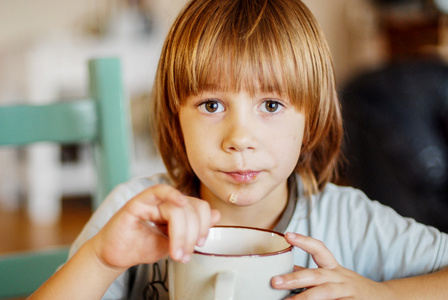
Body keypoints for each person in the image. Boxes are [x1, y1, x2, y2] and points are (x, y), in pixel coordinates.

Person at [30, 0, 448, 299]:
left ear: (311, 121)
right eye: (211, 105)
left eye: (271, 105)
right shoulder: (134, 216)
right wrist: (101, 261)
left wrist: (383, 295)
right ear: (176, 118)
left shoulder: (350, 220)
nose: (239, 138)